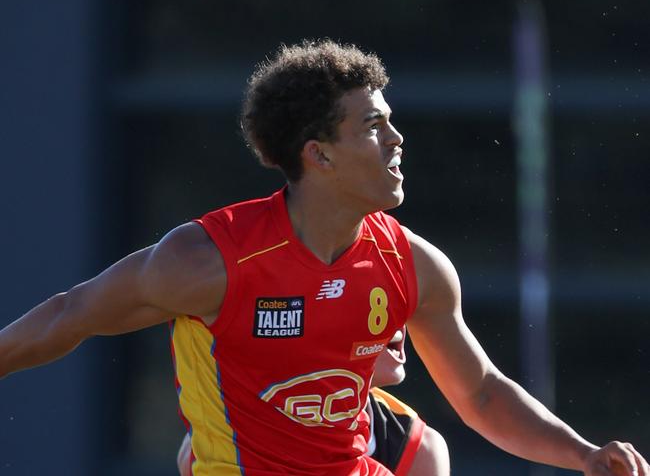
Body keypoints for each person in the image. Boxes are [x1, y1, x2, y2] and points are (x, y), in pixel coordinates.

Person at [0, 40, 647, 476]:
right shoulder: (209, 261)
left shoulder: (413, 264)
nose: (396, 139)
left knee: (427, 456)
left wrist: (585, 456)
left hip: (352, 460)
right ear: (319, 154)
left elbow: (478, 392)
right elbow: (71, 313)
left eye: (390, 121)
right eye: (373, 126)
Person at [175, 326, 450, 476]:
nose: (394, 322)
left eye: (396, 303)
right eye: (372, 307)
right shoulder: (222, 436)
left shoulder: (416, 449)